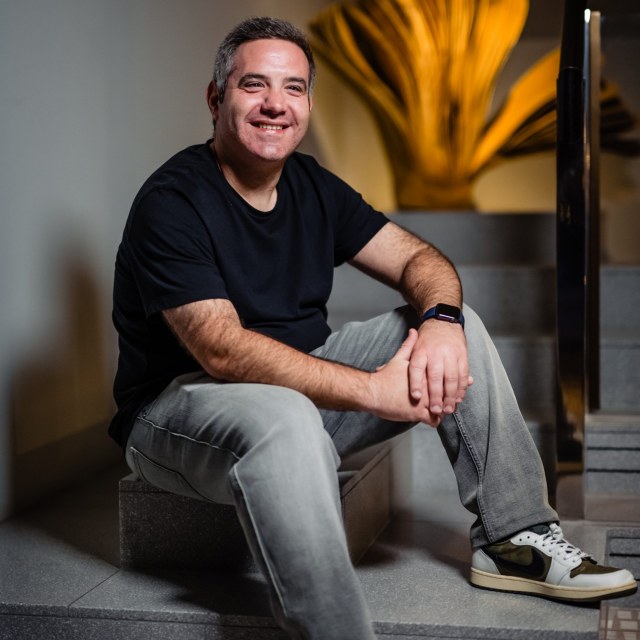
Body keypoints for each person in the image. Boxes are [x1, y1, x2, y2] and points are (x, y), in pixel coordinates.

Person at [110, 16, 637, 640]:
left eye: (294, 87)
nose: (276, 104)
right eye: (254, 85)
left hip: (302, 388)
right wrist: (370, 391)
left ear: (308, 103)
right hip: (180, 409)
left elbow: (418, 259)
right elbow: (221, 351)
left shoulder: (312, 184)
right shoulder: (172, 201)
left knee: (457, 325)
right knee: (286, 416)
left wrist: (441, 322)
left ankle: (514, 538)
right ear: (216, 97)